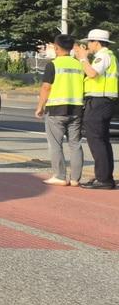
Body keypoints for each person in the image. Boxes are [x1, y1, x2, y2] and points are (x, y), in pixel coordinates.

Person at [34, 33, 85, 186]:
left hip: (56, 110)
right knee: (75, 144)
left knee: (55, 144)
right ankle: (76, 179)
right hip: (76, 109)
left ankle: (60, 176)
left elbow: (46, 87)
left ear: (56, 47)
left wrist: (40, 107)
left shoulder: (53, 65)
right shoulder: (79, 64)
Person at [77, 28, 117, 189]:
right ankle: (105, 176)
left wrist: (82, 59)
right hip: (105, 102)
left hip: (99, 102)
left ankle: (104, 179)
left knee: (96, 141)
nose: (88, 45)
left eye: (90, 42)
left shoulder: (103, 56)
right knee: (102, 141)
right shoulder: (110, 56)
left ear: (97, 42)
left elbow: (92, 74)